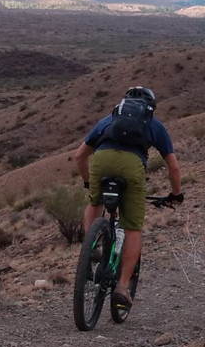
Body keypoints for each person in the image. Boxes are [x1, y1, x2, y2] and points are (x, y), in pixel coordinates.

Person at [74, 86, 183, 310]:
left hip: (101, 161)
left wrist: (88, 182)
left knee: (95, 202)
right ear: (150, 106)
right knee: (132, 227)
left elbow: (79, 156)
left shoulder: (108, 120)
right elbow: (173, 167)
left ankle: (90, 247)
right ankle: (122, 287)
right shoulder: (155, 125)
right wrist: (176, 195)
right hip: (132, 166)